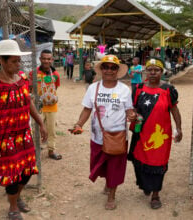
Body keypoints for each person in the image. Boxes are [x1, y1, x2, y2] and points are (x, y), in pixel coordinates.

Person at [0, 39, 48, 220]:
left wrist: (40, 123)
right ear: (1, 61)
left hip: (23, 134)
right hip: (5, 137)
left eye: (18, 60)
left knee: (27, 171)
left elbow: (29, 103)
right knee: (11, 174)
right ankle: (13, 206)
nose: (17, 64)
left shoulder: (22, 78)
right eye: (13, 61)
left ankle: (17, 197)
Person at [69, 55, 136, 210]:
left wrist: (132, 116)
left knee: (115, 167)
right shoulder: (93, 88)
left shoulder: (124, 90)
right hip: (97, 136)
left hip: (117, 137)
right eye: (106, 67)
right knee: (101, 165)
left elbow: (129, 111)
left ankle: (112, 195)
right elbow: (87, 109)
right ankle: (108, 183)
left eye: (113, 67)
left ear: (118, 71)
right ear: (101, 70)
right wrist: (78, 124)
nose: (109, 70)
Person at [128, 57, 182, 209]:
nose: (152, 73)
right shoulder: (138, 88)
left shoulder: (168, 90)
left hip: (159, 136)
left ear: (161, 71)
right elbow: (134, 109)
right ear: (145, 72)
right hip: (141, 133)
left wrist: (179, 128)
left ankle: (155, 194)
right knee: (139, 160)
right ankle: (145, 185)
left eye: (156, 70)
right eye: (149, 70)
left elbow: (174, 110)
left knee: (158, 163)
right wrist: (134, 115)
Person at [29, 50, 62, 160]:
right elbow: (29, 88)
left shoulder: (56, 74)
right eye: (44, 58)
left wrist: (48, 98)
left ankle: (51, 150)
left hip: (52, 107)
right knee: (35, 130)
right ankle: (35, 151)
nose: (46, 61)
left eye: (49, 59)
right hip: (37, 107)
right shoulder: (33, 74)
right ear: (40, 59)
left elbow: (55, 87)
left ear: (52, 60)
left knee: (51, 130)